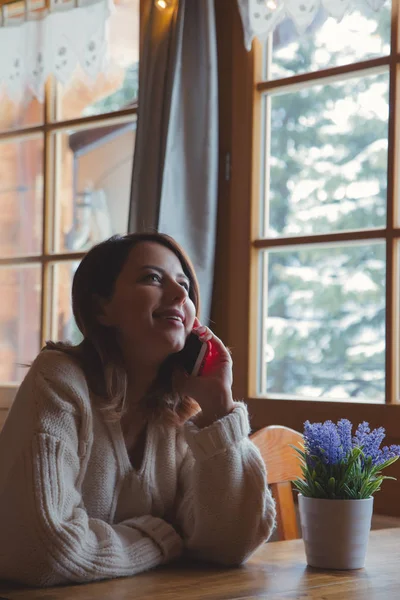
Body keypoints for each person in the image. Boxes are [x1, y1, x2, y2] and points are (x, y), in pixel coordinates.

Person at [0, 232, 276, 587]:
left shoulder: (185, 411)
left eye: (185, 285)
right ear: (102, 308)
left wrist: (219, 408)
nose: (180, 295)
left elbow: (230, 545)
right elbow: (43, 551)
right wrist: (161, 538)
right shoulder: (59, 379)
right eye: (152, 278)